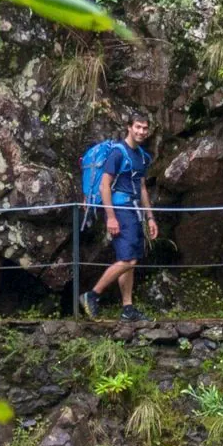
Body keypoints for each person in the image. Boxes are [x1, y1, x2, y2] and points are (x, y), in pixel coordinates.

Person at [79, 114, 157, 321]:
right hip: (120, 210)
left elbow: (142, 188)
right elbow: (105, 185)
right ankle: (92, 295)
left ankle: (127, 307)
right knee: (128, 259)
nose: (141, 131)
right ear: (129, 128)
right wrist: (111, 217)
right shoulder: (117, 153)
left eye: (145, 128)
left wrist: (150, 217)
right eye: (138, 127)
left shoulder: (141, 156)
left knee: (130, 258)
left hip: (134, 211)